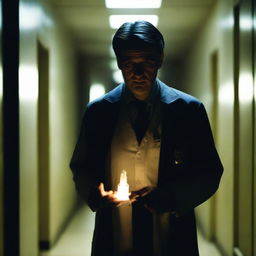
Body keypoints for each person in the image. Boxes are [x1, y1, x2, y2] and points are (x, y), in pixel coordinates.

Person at [70, 21, 223, 256]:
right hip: (114, 232)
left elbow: (210, 171)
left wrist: (173, 197)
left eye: (147, 62)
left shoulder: (188, 110)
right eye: (129, 64)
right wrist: (94, 193)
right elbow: (81, 166)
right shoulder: (99, 112)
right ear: (119, 63)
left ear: (160, 59)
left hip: (170, 232)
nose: (138, 73)